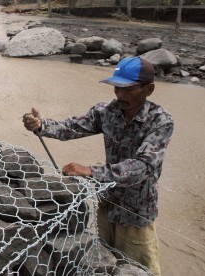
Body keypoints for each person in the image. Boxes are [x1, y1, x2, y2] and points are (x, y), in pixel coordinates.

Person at [22, 57, 174, 276]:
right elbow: (71, 127)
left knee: (141, 270)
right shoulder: (107, 112)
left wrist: (92, 171)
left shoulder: (161, 121)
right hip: (107, 205)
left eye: (127, 89)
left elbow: (143, 166)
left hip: (136, 214)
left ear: (148, 89)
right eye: (116, 88)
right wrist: (41, 125)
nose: (119, 95)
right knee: (108, 265)